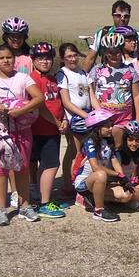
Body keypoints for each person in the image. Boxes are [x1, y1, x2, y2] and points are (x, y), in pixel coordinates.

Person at [0, 43, 45, 226]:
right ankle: (1, 209)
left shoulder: (23, 78)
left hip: (22, 130)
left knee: (22, 168)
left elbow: (39, 98)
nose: (6, 60)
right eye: (1, 58)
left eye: (9, 57)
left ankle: (24, 206)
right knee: (1, 170)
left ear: (14, 59)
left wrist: (21, 110)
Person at [28, 41, 67, 218]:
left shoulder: (52, 79)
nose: (45, 62)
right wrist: (57, 123)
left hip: (53, 129)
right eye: (40, 58)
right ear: (33, 60)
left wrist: (64, 118)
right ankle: (44, 203)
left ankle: (43, 198)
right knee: (50, 165)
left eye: (48, 58)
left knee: (47, 165)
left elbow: (59, 103)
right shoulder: (32, 79)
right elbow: (41, 107)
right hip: (39, 128)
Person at [90, 31, 139, 153]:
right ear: (105, 53)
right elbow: (92, 93)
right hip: (102, 117)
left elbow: (136, 95)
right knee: (102, 149)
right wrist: (98, 112)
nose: (114, 56)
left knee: (118, 148)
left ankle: (118, 171)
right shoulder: (97, 70)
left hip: (123, 118)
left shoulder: (130, 70)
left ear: (122, 51)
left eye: (117, 52)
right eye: (110, 53)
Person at [74, 112, 128, 222]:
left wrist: (123, 177)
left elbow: (115, 161)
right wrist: (117, 175)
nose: (111, 128)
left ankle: (89, 200)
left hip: (98, 181)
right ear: (97, 128)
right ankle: (98, 211)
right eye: (107, 126)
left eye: (111, 125)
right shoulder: (89, 142)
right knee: (100, 174)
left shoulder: (108, 141)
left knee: (126, 195)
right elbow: (95, 167)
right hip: (84, 182)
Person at [57, 43, 92, 196]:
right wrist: (84, 115)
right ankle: (69, 183)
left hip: (88, 115)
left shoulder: (83, 72)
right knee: (74, 151)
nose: (73, 59)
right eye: (68, 56)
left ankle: (77, 181)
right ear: (63, 59)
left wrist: (97, 113)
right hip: (74, 118)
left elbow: (91, 95)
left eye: (74, 55)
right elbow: (66, 101)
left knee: (84, 150)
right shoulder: (62, 74)